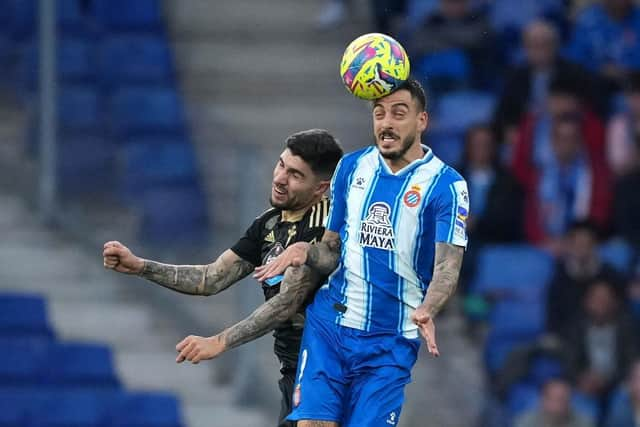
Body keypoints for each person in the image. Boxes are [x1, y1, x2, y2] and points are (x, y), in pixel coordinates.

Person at [251, 78, 468, 426]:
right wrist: (306, 250)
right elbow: (332, 248)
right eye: (379, 113)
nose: (386, 123)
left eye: (399, 113)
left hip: (389, 341)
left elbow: (447, 267)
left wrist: (428, 308)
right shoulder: (351, 168)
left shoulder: (447, 185)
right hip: (330, 327)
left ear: (422, 121)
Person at [102, 129, 343, 427]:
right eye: (281, 165)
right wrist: (140, 266)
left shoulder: (326, 227)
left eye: (295, 175)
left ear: (320, 189)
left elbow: (286, 303)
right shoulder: (269, 223)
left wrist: (219, 342)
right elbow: (211, 278)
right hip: (294, 368)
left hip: (326, 365)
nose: (280, 178)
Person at [514, 378, 595, 427]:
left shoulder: (584, 424)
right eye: (553, 399)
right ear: (543, 400)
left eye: (562, 400)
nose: (557, 406)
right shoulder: (525, 423)